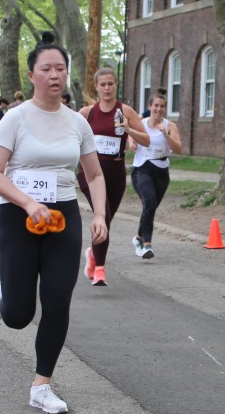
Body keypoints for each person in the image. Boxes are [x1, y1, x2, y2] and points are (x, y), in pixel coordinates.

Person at [0, 32, 108, 414]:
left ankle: (42, 385)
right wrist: (27, 202)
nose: (55, 75)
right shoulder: (14, 119)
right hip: (18, 216)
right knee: (18, 316)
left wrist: (99, 214)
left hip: (62, 217)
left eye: (61, 68)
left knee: (57, 300)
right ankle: (7, 292)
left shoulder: (77, 123)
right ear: (32, 75)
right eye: (46, 69)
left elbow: (94, 174)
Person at [77, 67, 150, 285]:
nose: (107, 88)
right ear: (96, 87)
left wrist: (129, 130)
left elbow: (146, 140)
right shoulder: (86, 113)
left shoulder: (125, 111)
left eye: (111, 84)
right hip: (90, 174)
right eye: (103, 84)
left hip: (115, 172)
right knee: (103, 214)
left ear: (116, 85)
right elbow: (70, 138)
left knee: (105, 220)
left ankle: (93, 254)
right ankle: (100, 269)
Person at [130, 89, 182, 259]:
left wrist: (166, 135)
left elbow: (179, 149)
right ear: (150, 106)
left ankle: (139, 237)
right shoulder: (141, 123)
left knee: (150, 207)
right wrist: (132, 143)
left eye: (162, 106)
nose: (159, 109)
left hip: (161, 171)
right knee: (149, 201)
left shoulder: (170, 126)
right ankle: (147, 245)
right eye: (156, 106)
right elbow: (131, 133)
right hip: (142, 168)